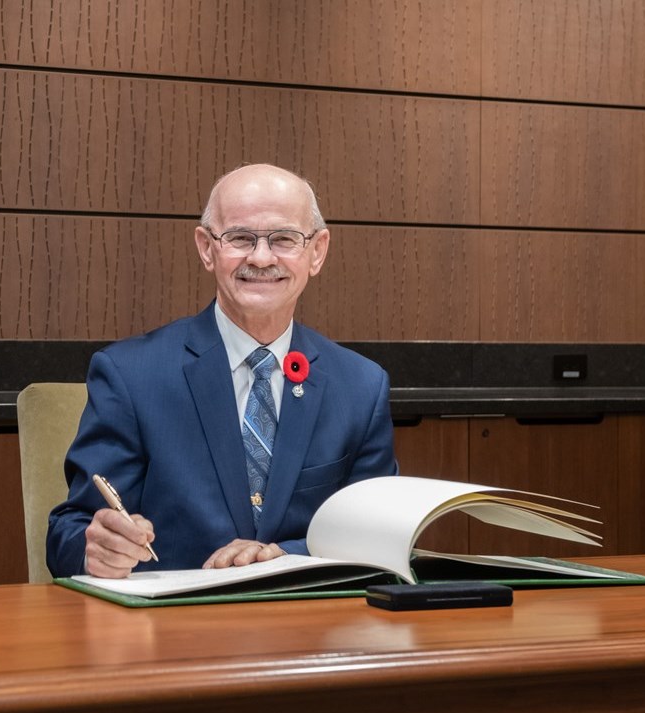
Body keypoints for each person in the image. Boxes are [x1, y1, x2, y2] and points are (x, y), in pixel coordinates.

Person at [46, 163, 399, 579]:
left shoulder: (360, 385)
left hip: (311, 626)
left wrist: (286, 556)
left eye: (284, 239)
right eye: (240, 238)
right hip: (171, 631)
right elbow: (69, 534)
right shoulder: (130, 375)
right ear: (206, 248)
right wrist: (96, 549)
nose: (261, 258)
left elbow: (378, 532)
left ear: (317, 251)